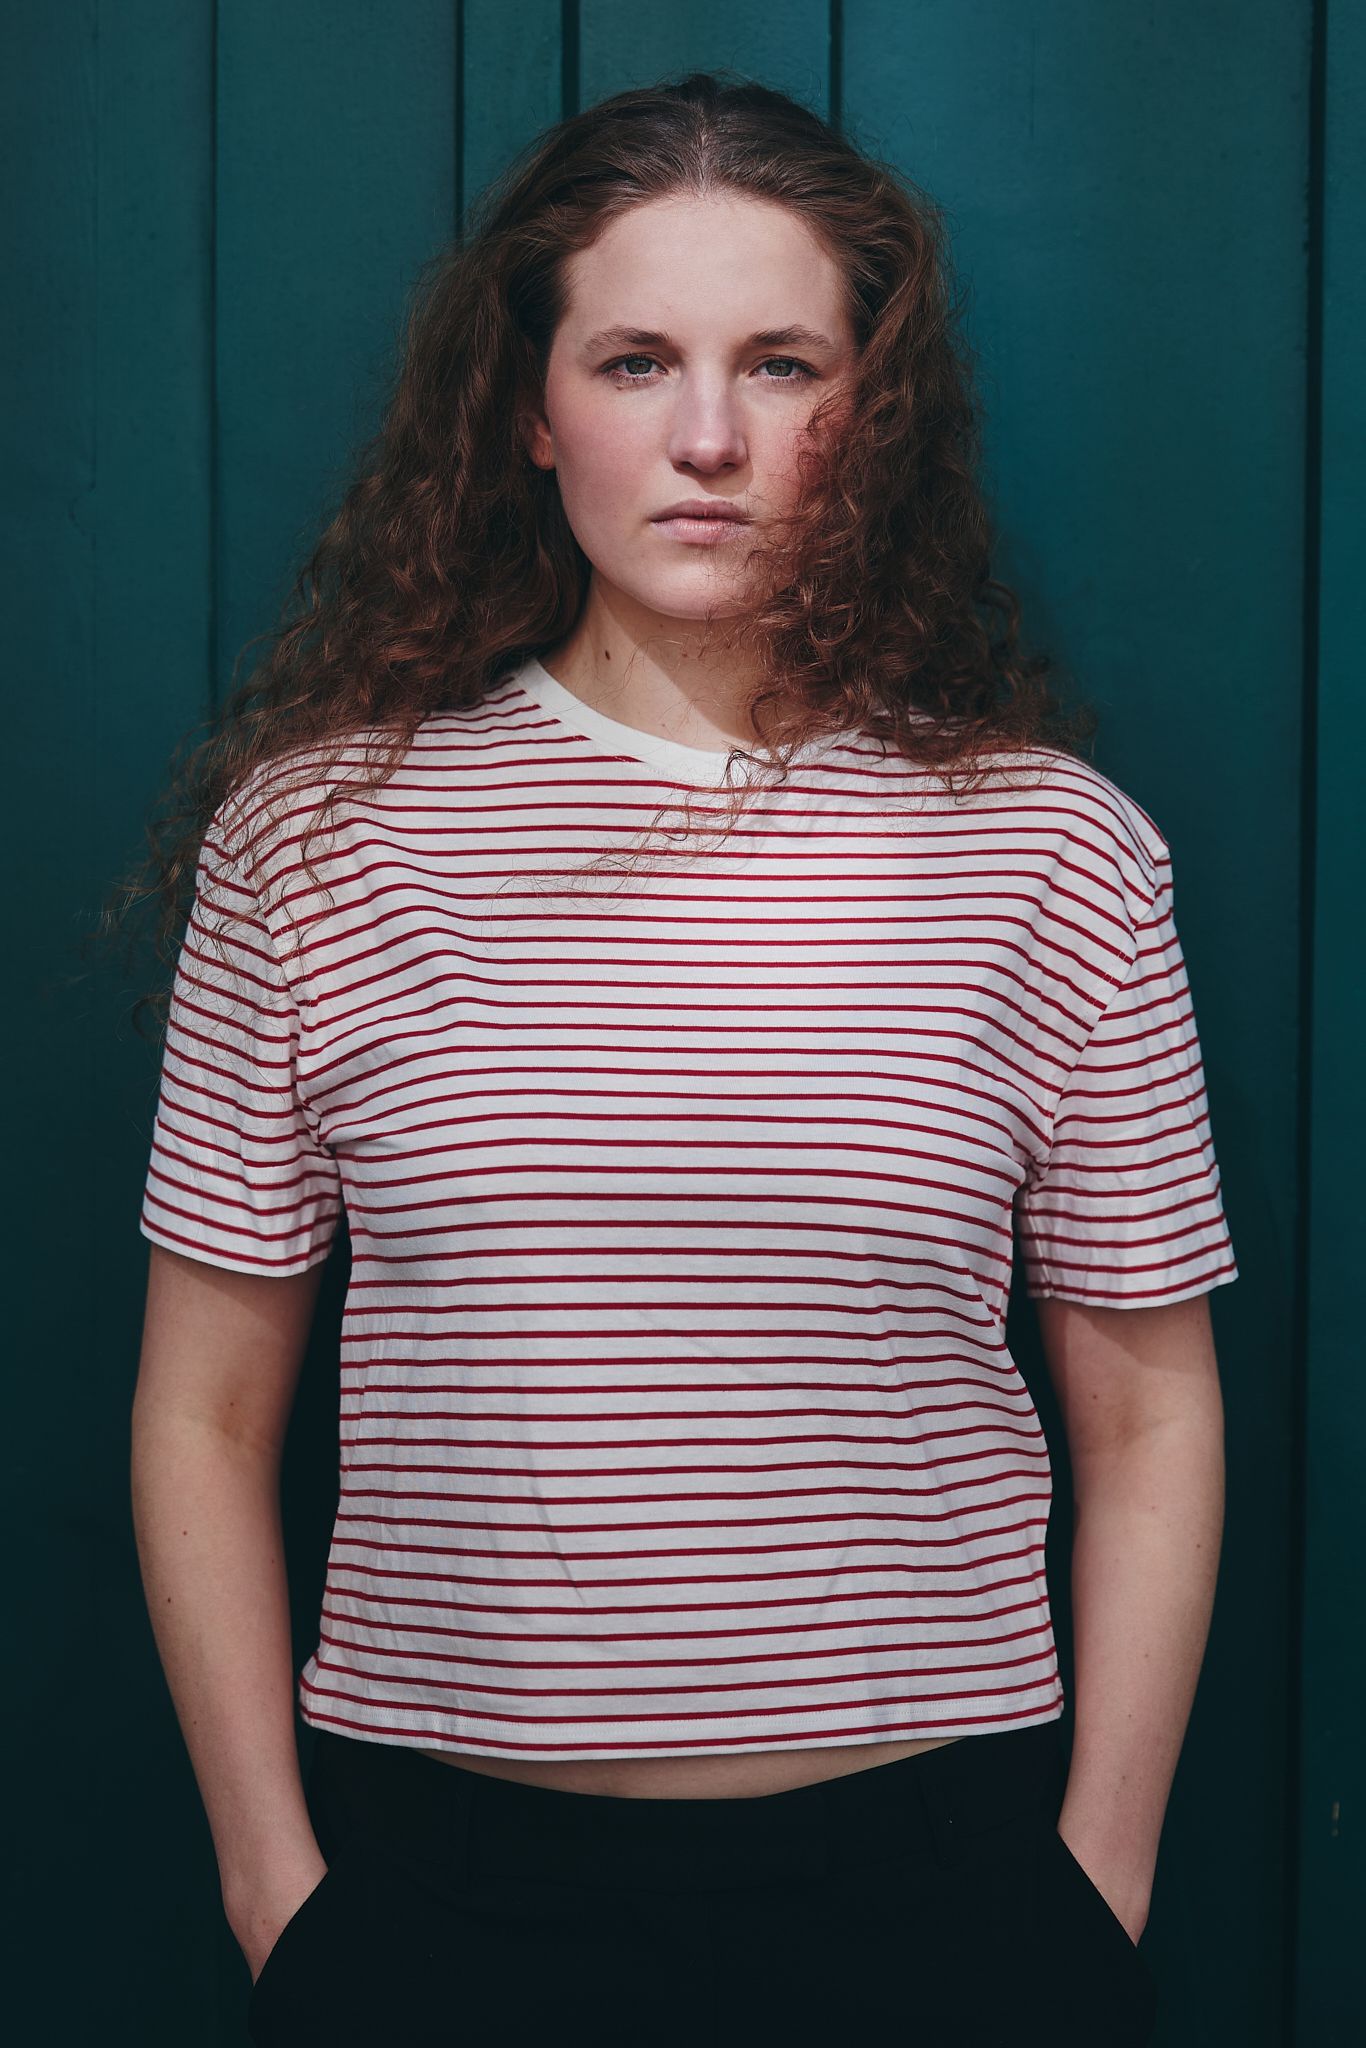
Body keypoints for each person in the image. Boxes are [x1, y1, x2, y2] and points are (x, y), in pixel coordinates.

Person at [124, 70, 1237, 2048]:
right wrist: (274, 1892)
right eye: (634, 360)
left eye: (780, 364)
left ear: (868, 413)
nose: (708, 437)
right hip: (444, 1902)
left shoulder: (1049, 852)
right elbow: (205, 1411)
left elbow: (1147, 1409)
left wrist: (1097, 1883)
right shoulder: (317, 843)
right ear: (530, 408)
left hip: (941, 1898)